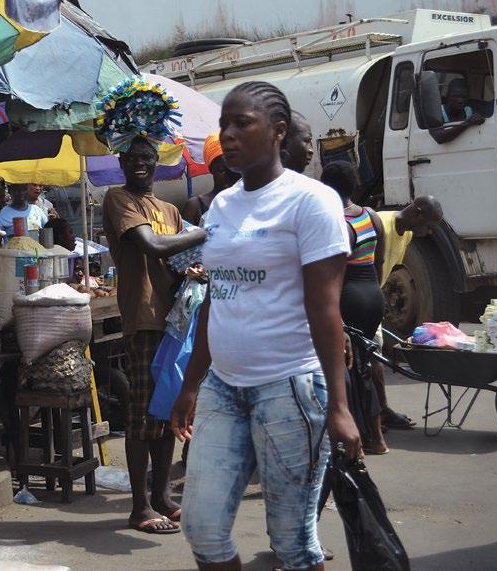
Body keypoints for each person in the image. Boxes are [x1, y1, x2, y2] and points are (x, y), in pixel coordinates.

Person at [172, 81, 360, 571]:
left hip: (290, 388)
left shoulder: (310, 201)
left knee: (293, 542)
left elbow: (326, 310)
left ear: (278, 131)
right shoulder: (223, 206)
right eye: (223, 126)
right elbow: (217, 296)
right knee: (202, 527)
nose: (228, 136)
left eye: (242, 123)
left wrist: (339, 407)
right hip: (224, 387)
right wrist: (191, 384)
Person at [102, 136, 207, 535]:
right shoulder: (118, 198)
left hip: (176, 321)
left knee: (167, 413)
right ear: (122, 162)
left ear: (157, 162)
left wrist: (193, 269)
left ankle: (162, 496)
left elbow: (181, 260)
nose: (140, 164)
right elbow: (152, 245)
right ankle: (140, 506)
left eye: (147, 157)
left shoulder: (169, 209)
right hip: (144, 317)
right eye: (133, 158)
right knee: (142, 415)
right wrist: (206, 233)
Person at [320, 161, 388, 455]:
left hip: (350, 299)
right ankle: (376, 438)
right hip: (373, 295)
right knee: (365, 365)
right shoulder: (371, 216)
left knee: (347, 370)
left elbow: (331, 273)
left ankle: (357, 443)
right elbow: (380, 261)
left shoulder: (339, 223)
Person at [374, 195, 444, 430]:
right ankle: (367, 416)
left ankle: (379, 411)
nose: (429, 232)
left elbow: (387, 272)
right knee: (362, 361)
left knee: (374, 360)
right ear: (416, 214)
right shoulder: (380, 225)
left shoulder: (408, 234)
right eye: (428, 225)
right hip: (356, 302)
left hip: (370, 301)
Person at [181, 132, 240, 224]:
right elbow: (186, 236)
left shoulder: (250, 201)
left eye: (232, 170)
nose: (226, 176)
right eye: (221, 170)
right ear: (211, 169)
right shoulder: (195, 206)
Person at [430, 80, 485, 144]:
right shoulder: (437, 112)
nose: (460, 101)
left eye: (464, 97)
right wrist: (467, 123)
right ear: (447, 96)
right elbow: (439, 137)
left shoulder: (468, 111)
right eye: (456, 96)